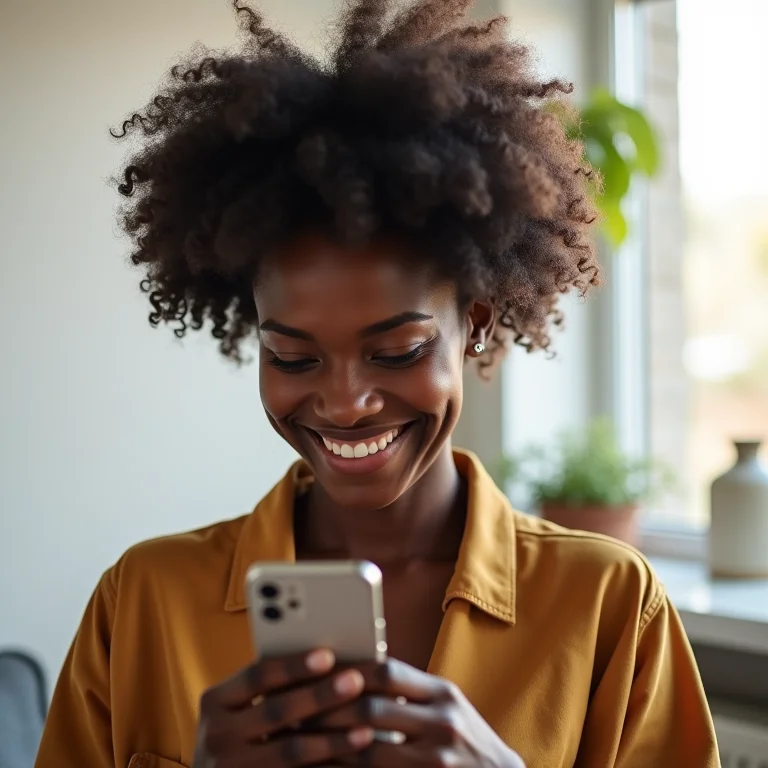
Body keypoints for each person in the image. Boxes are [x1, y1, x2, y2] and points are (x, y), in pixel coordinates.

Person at [35, 1, 720, 766]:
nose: (345, 402)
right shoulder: (143, 602)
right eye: (294, 358)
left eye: (397, 350)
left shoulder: (606, 602)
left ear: (479, 325)